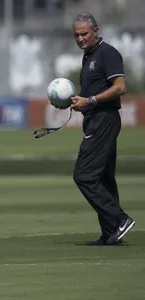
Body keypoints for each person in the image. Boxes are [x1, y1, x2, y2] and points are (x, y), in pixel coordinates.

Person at [66, 13, 135, 245]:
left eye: (84, 33)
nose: (80, 39)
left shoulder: (108, 53)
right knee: (104, 177)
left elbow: (120, 87)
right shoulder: (89, 56)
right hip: (95, 118)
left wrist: (91, 101)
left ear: (96, 30)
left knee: (84, 175)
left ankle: (119, 219)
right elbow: (93, 94)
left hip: (104, 119)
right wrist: (80, 102)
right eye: (76, 35)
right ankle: (111, 232)